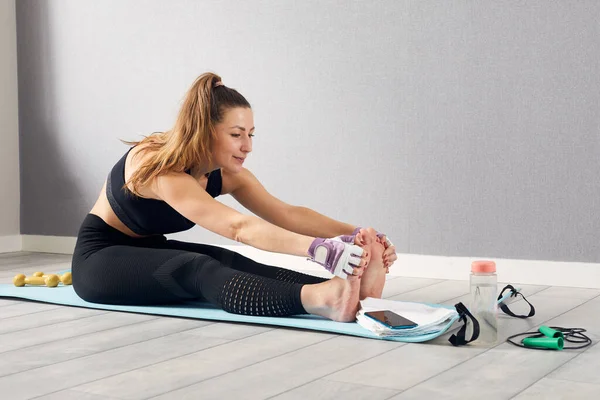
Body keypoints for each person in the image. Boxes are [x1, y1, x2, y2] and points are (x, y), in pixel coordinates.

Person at [71, 72, 397, 322]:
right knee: (198, 268)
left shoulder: (225, 173)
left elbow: (287, 213)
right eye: (236, 135)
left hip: (148, 250)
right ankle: (325, 299)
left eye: (251, 135)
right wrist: (319, 251)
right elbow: (238, 227)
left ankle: (348, 293)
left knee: (234, 263)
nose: (247, 146)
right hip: (100, 259)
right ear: (203, 130)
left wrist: (354, 236)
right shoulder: (158, 166)